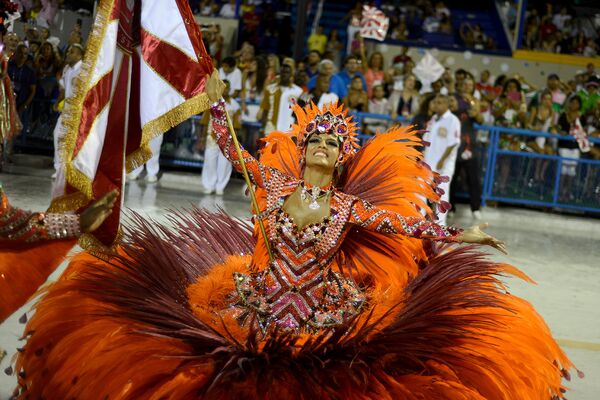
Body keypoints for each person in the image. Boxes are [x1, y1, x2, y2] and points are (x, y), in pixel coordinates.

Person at [10, 72, 577, 399]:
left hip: (319, 312)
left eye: (334, 146)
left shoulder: (349, 206)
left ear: (340, 156)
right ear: (305, 152)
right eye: (317, 144)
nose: (324, 151)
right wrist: (214, 105)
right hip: (257, 301)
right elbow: (233, 151)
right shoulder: (276, 189)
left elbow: (410, 224)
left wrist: (466, 232)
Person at [422, 94, 461, 225]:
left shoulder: (453, 120)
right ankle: (419, 219)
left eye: (440, 103)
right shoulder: (433, 119)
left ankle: (440, 224)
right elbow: (426, 141)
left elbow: (453, 143)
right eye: (436, 102)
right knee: (421, 191)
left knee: (441, 193)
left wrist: (443, 160)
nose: (437, 105)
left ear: (446, 105)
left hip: (443, 164)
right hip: (428, 163)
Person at [450, 78, 484, 220]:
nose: (467, 86)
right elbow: (452, 110)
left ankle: (475, 208)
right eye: (465, 83)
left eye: (470, 85)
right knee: (452, 177)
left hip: (469, 145)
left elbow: (479, 118)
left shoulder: (475, 100)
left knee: (473, 178)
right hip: (454, 143)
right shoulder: (453, 98)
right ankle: (450, 207)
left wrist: (473, 104)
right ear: (460, 85)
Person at [201, 80, 240, 195]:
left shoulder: (234, 105)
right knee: (209, 161)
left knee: (224, 164)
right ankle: (209, 185)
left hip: (227, 139)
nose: (225, 90)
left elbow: (237, 125)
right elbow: (204, 121)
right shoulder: (211, 102)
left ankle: (220, 186)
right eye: (222, 87)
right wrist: (201, 138)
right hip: (212, 137)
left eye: (227, 88)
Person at [52, 44, 83, 178]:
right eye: (68, 51)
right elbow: (64, 89)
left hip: (79, 112)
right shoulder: (66, 69)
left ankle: (75, 170)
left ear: (79, 55)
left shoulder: (84, 69)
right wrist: (58, 101)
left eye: (72, 52)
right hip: (66, 111)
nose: (68, 53)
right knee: (58, 135)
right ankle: (59, 168)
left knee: (76, 141)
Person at [257, 63, 302, 134]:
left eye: (287, 72)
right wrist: (263, 127)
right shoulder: (270, 89)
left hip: (289, 129)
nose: (284, 74)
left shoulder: (298, 91)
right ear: (280, 73)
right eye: (283, 72)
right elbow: (265, 110)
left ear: (291, 74)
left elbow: (299, 114)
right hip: (271, 127)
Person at [7, 43, 36, 135]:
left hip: (19, 104)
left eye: (25, 54)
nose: (23, 56)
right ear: (16, 53)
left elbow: (33, 91)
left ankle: (9, 148)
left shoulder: (29, 72)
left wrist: (24, 105)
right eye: (20, 53)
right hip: (5, 102)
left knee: (14, 130)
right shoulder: (7, 66)